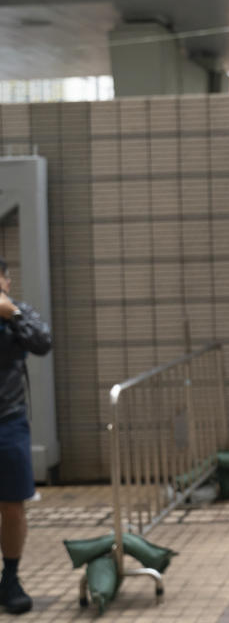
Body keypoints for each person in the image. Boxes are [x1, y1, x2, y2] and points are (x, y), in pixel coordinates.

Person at [0, 257, 52, 615]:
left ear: (6, 281)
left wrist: (12, 315)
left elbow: (43, 342)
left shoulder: (19, 313)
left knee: (13, 506)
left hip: (10, 419)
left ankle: (11, 577)